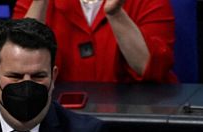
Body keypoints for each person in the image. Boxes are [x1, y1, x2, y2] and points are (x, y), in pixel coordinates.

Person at [13, 0, 177, 83]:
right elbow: (18, 67)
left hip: (135, 124)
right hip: (57, 121)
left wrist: (115, 14)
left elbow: (152, 69)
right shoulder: (32, 2)